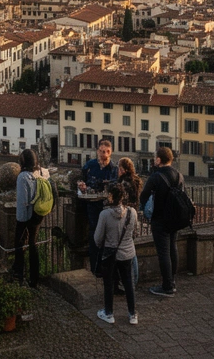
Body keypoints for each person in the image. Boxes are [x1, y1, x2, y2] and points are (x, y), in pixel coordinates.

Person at [93, 183, 138, 325]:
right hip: (128, 253)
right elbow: (134, 233)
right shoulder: (132, 212)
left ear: (111, 196)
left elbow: (97, 238)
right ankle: (132, 314)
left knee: (109, 283)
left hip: (110, 254)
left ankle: (109, 313)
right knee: (128, 283)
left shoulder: (105, 214)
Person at [140, 146, 182, 297]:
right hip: (175, 218)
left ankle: (167, 287)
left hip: (159, 219)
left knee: (163, 252)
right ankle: (172, 282)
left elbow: (144, 196)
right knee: (173, 249)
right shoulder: (179, 175)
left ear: (158, 159)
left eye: (154, 158)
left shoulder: (155, 177)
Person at [78, 139, 119, 275]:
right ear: (97, 151)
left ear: (111, 152)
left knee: (107, 235)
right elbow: (80, 179)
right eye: (102, 151)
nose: (104, 154)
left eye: (107, 152)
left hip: (107, 206)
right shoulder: (90, 165)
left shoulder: (114, 169)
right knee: (94, 234)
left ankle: (105, 266)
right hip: (92, 205)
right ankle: (96, 267)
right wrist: (81, 185)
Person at [14, 148, 49, 287]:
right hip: (39, 214)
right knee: (33, 245)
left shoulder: (23, 177)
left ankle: (19, 276)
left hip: (27, 215)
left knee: (19, 244)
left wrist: (20, 221)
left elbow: (23, 202)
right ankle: (34, 280)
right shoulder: (43, 172)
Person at [117, 158, 143, 289]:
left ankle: (130, 281)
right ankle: (132, 279)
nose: (118, 171)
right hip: (134, 217)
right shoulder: (136, 181)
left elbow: (122, 201)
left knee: (128, 253)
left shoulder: (124, 183)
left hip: (126, 220)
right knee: (131, 249)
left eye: (119, 168)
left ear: (123, 169)